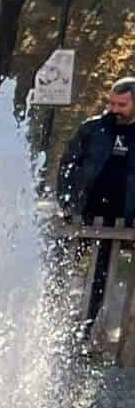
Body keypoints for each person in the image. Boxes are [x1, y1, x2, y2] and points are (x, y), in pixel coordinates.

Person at [59, 77, 135, 330]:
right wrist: (67, 202)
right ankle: (53, 321)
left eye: (121, 104)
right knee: (62, 265)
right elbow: (68, 164)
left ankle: (87, 329)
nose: (114, 109)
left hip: (120, 219)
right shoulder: (93, 129)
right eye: (112, 103)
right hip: (84, 213)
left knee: (102, 277)